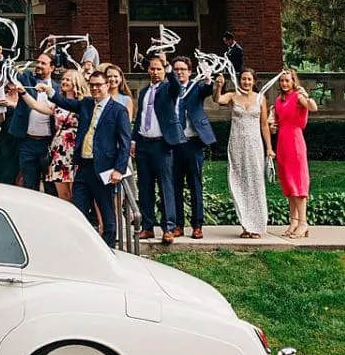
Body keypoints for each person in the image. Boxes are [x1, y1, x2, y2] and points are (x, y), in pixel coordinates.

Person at [23, 64, 129, 245]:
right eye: (92, 85)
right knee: (78, 208)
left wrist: (119, 169)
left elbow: (125, 142)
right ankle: (81, 244)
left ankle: (110, 246)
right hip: (83, 166)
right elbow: (66, 103)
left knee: (106, 210)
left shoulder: (118, 110)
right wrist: (49, 91)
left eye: (99, 85)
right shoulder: (87, 103)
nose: (95, 88)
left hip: (103, 167)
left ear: (106, 86)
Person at [133, 54, 184, 245]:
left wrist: (170, 69)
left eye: (159, 69)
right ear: (148, 70)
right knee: (145, 187)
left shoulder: (168, 88)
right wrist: (134, 140)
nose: (155, 72)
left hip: (162, 144)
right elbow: (140, 117)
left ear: (164, 70)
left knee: (165, 186)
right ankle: (147, 226)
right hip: (144, 144)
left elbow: (177, 88)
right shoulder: (144, 91)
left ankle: (168, 227)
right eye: (152, 69)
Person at [217, 69, 275, 239]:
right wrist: (218, 87)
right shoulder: (232, 96)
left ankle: (257, 225)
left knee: (255, 182)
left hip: (254, 144)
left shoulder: (260, 98)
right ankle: (245, 225)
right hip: (236, 144)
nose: (246, 82)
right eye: (243, 79)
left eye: (249, 79)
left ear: (254, 81)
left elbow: (264, 125)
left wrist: (269, 148)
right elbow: (218, 100)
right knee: (238, 182)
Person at [170, 56, 219, 238]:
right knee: (175, 186)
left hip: (193, 142)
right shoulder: (170, 90)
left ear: (189, 72)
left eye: (183, 69)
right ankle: (178, 225)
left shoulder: (196, 87)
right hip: (174, 143)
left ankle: (197, 225)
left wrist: (208, 78)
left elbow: (207, 89)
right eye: (176, 69)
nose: (179, 72)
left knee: (194, 184)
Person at [270, 68, 317, 239]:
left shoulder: (298, 97)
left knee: (298, 182)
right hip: (282, 141)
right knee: (288, 184)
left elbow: (313, 107)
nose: (284, 83)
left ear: (293, 82)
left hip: (295, 141)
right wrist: (272, 126)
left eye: (287, 81)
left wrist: (306, 95)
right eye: (282, 81)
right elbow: (276, 122)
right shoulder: (278, 100)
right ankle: (293, 221)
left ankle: (303, 223)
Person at [16, 52, 60, 191]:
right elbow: (4, 74)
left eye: (43, 63)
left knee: (50, 186)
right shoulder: (28, 80)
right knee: (29, 186)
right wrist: (0, 58)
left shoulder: (57, 89)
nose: (39, 65)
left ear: (52, 68)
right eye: (38, 62)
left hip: (48, 143)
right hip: (28, 143)